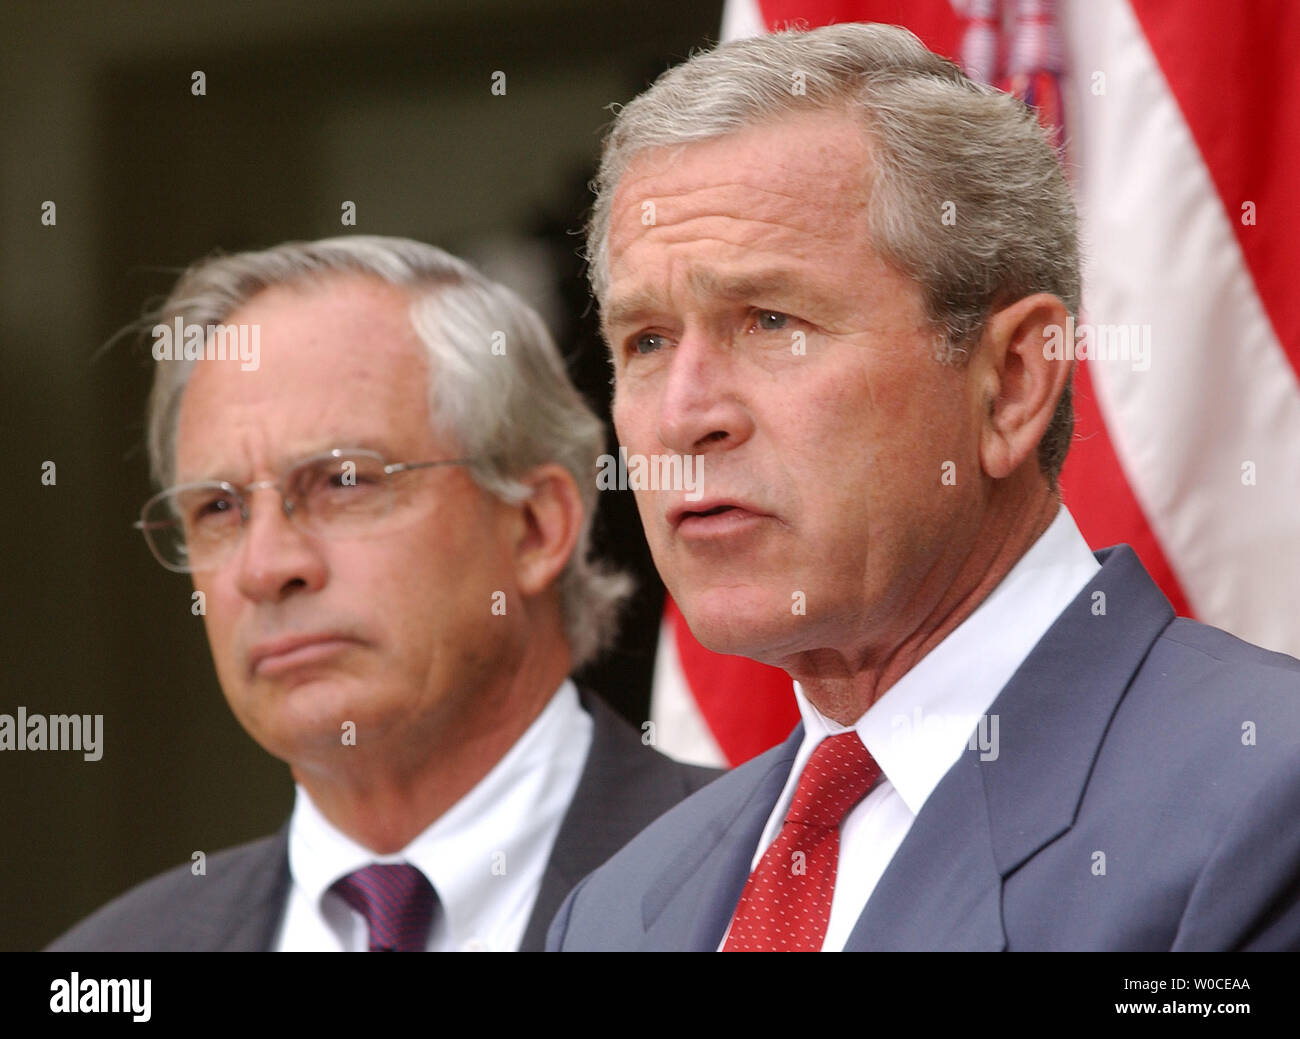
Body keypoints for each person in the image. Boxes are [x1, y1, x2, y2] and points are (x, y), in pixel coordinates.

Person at [547, 23, 1300, 951]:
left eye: (771, 320)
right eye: (647, 342)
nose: (682, 417)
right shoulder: (615, 912)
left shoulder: (1266, 794)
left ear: (1014, 380)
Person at [48, 235, 716, 952]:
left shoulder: (762, 878)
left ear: (534, 526)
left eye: (343, 482)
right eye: (218, 508)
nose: (266, 567)